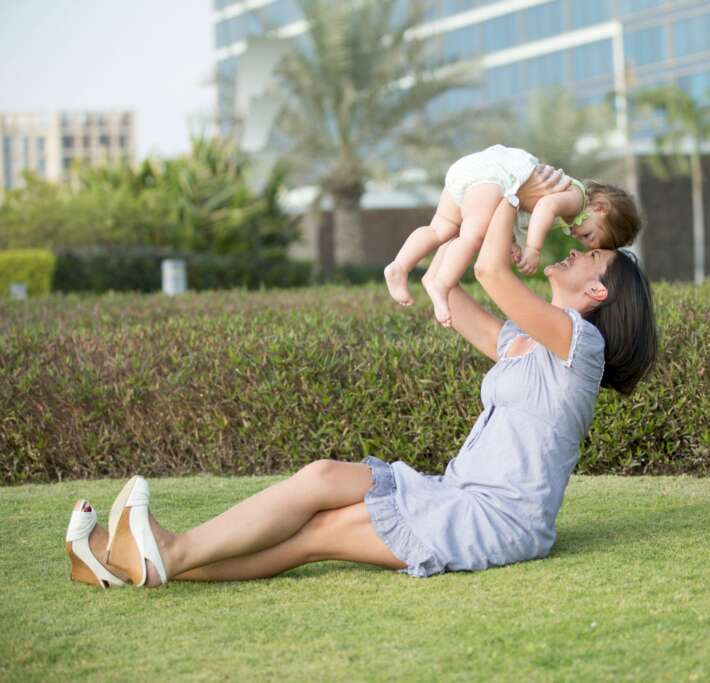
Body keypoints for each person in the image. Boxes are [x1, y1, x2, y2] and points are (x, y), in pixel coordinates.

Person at [62, 176, 658, 586]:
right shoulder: (524, 342)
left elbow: (490, 271)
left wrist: (509, 181)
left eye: (592, 259)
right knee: (321, 478)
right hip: (453, 490)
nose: (577, 250)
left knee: (318, 534)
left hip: (496, 520)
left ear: (597, 292)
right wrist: (470, 212)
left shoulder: (582, 346)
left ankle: (165, 555)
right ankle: (122, 562)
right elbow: (449, 287)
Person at [384, 144, 641, 326]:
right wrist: (532, 249)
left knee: (442, 228)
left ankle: (399, 265)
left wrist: (513, 242)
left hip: (473, 170)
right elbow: (543, 206)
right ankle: (441, 284)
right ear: (600, 209)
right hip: (495, 176)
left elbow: (518, 209)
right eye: (589, 236)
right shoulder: (577, 199)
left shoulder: (570, 205)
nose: (579, 239)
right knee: (472, 236)